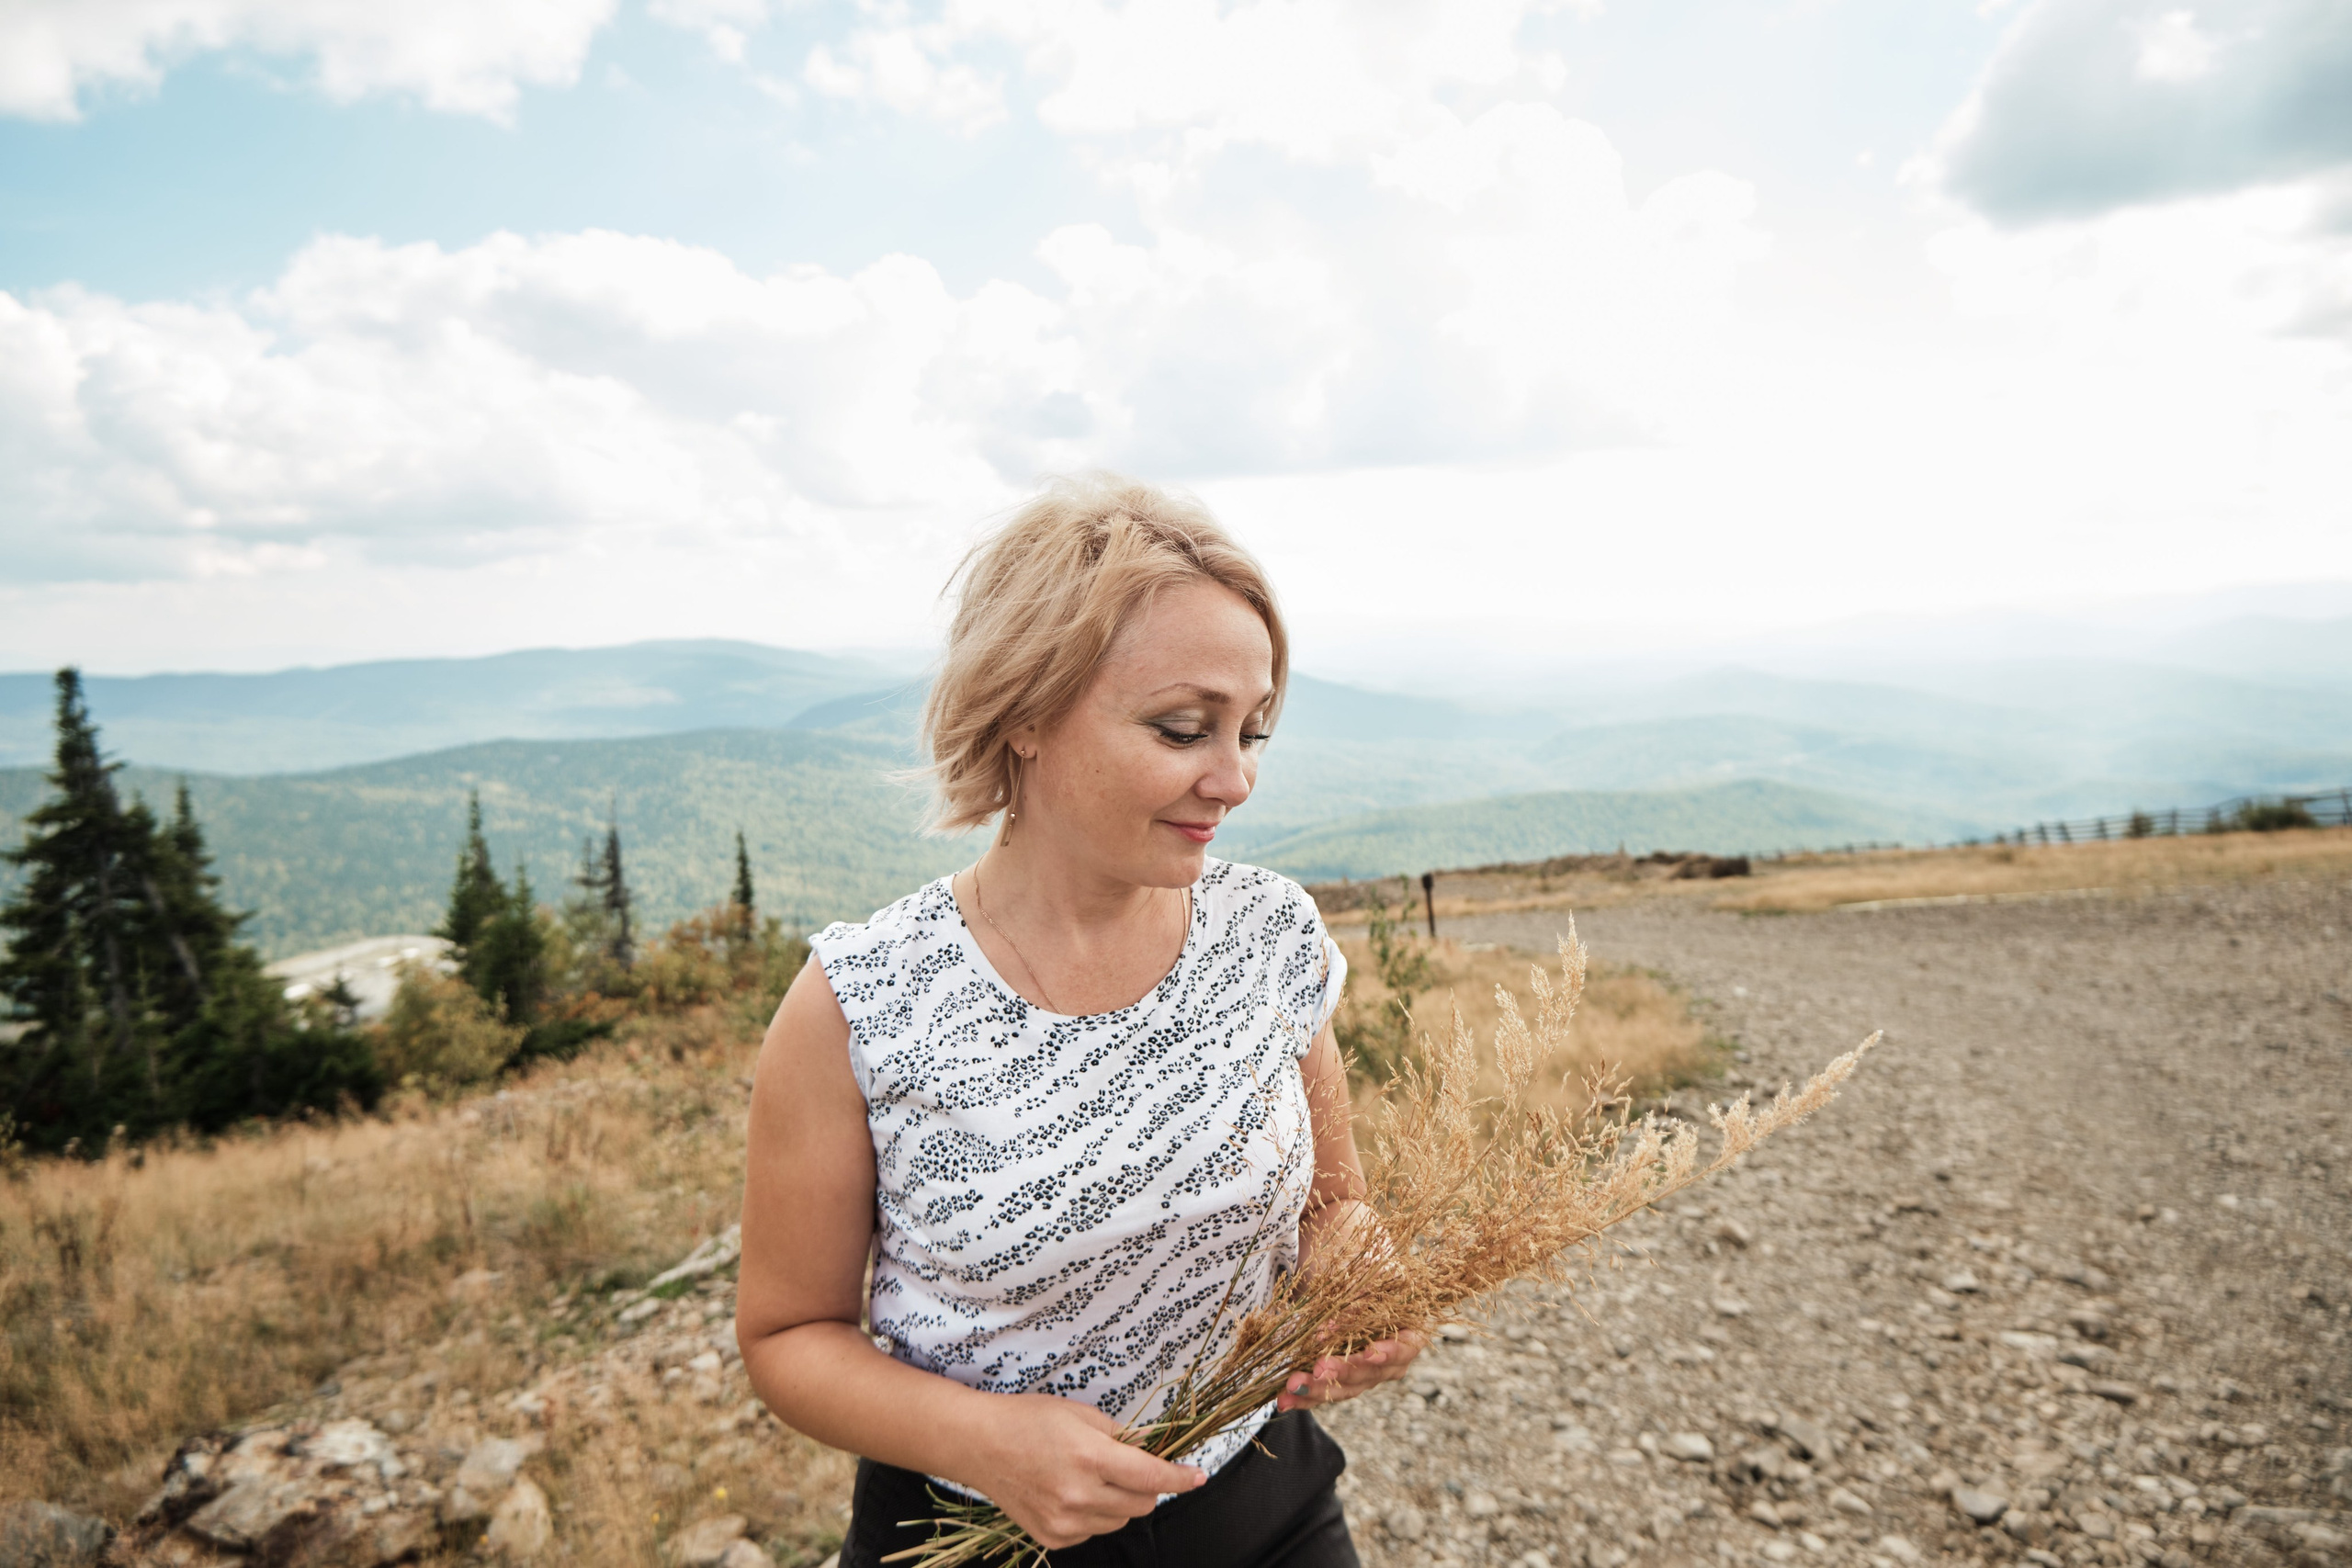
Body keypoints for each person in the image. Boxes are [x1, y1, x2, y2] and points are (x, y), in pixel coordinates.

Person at [735, 475, 1425, 1567]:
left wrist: (1366, 1281)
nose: (1235, 778)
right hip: (980, 1542)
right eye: (1183, 729)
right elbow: (785, 1337)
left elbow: (1337, 1208)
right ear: (1022, 714)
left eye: (1254, 730)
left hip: (1269, 1507)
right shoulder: (860, 1003)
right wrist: (990, 1441)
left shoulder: (1270, 934)